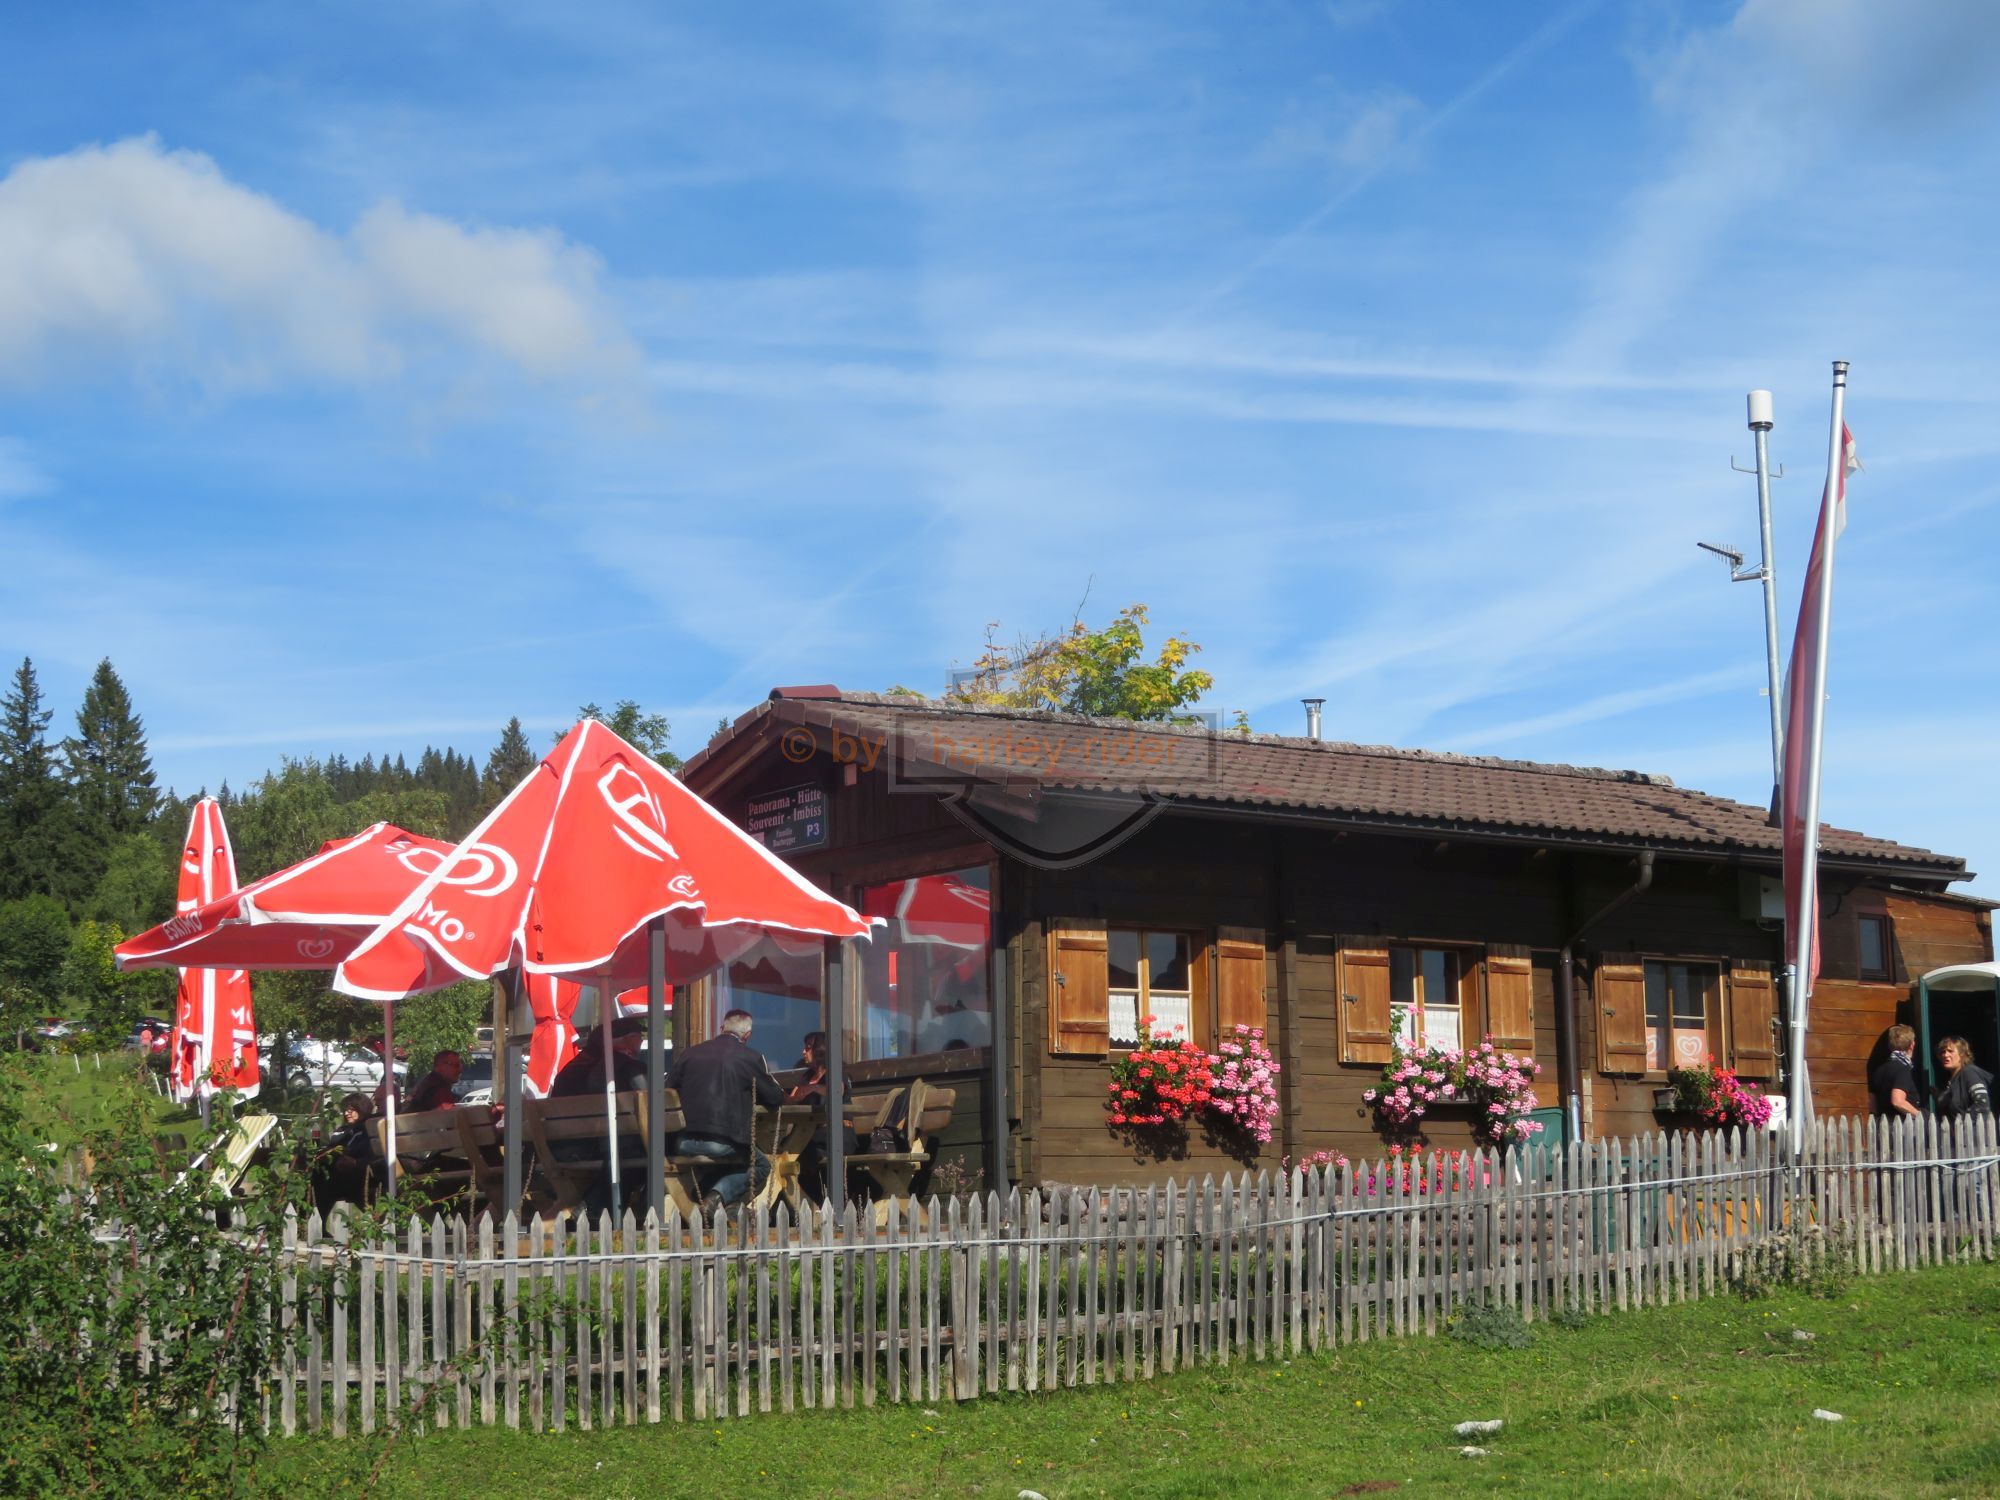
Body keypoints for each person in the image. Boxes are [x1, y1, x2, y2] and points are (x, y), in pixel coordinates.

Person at [668, 1009, 784, 1210]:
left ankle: (715, 1204)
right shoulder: (750, 1058)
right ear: (747, 1035)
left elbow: (667, 1089)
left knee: (733, 1161)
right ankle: (716, 1198)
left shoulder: (690, 1053)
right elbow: (775, 1098)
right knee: (762, 1165)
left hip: (683, 1142)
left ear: (722, 1028)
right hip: (722, 1143)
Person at [785, 1030, 857, 1202]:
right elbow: (792, 1099)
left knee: (797, 1155)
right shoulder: (807, 1076)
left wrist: (814, 1088)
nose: (803, 1051)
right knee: (783, 1153)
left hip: (835, 1137)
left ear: (819, 1050)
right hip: (809, 1136)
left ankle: (814, 1204)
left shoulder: (836, 1072)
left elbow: (837, 1091)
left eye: (808, 1047)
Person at [308, 1092, 380, 1214]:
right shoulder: (343, 1130)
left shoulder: (369, 1129)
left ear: (362, 1109)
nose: (346, 1113)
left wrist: (353, 1160)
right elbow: (333, 1147)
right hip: (337, 1172)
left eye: (351, 1110)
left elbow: (369, 1154)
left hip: (358, 1176)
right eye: (345, 1110)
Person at [1934, 1035, 1994, 1122]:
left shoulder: (1969, 1072)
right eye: (1943, 1052)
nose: (1945, 1055)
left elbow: (1982, 1104)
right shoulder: (1952, 1080)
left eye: (1950, 1051)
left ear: (1962, 1054)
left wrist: (1962, 1123)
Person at [1870, 1024, 1923, 1120]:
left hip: (1883, 1124)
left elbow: (1873, 1107)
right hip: (1902, 1126)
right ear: (1912, 1045)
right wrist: (1921, 1117)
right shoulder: (1902, 1069)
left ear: (1890, 1047)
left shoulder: (1879, 1070)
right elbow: (1898, 1101)